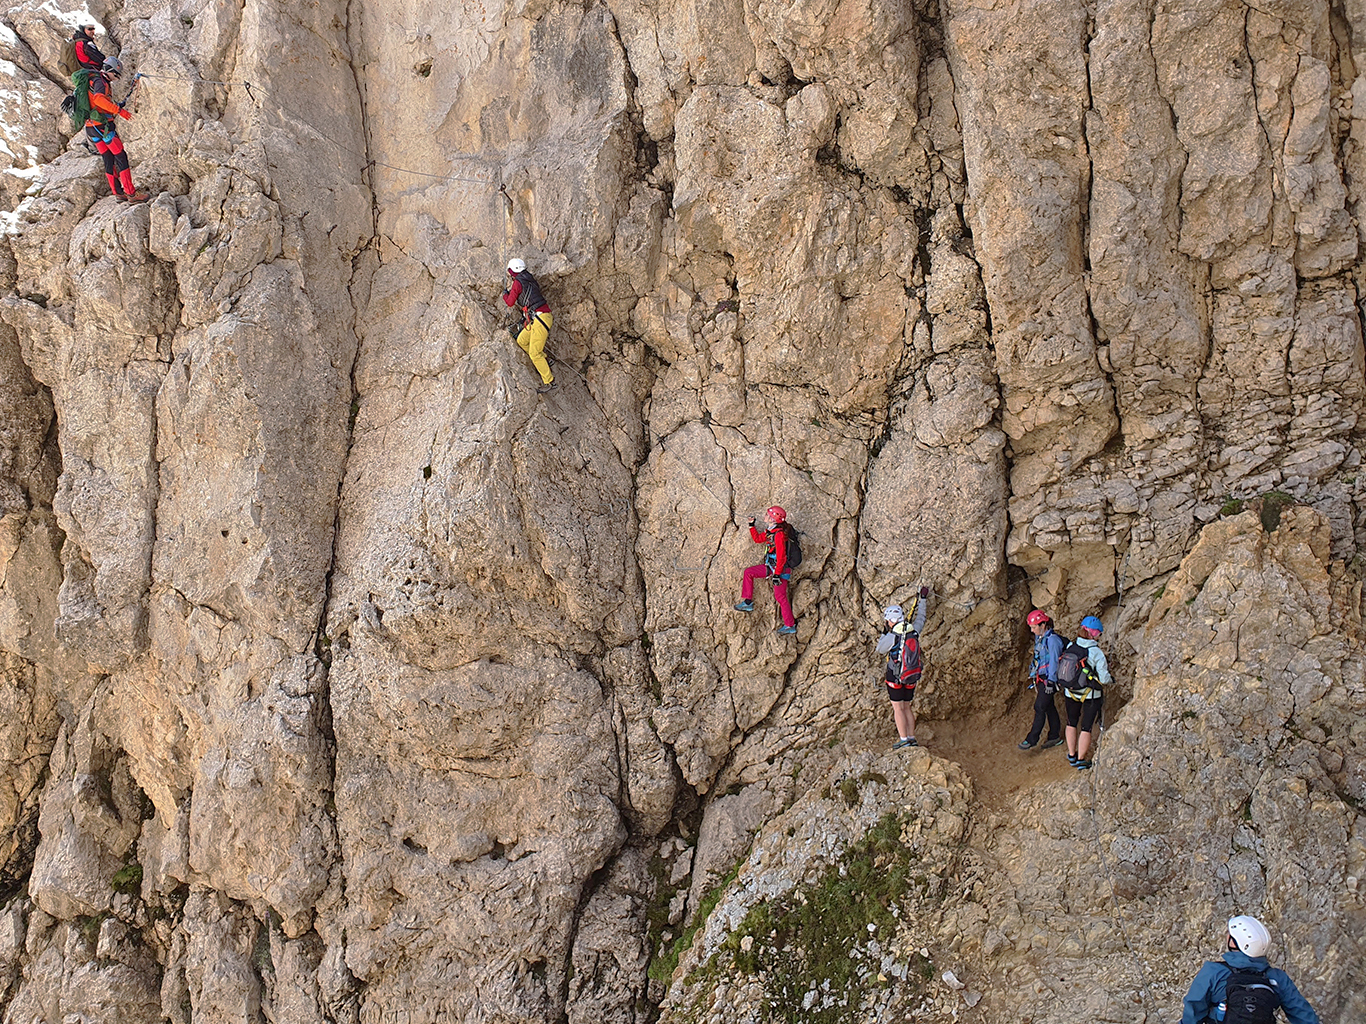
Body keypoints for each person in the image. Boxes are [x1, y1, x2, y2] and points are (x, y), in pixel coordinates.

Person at [1181, 915, 1319, 1024]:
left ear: (1234, 943)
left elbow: (1193, 1012)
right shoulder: (1277, 978)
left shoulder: (1213, 971)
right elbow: (1304, 1016)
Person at [79, 57, 148, 203]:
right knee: (120, 156)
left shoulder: (93, 79)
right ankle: (131, 194)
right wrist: (119, 111)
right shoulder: (100, 82)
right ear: (110, 70)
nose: (115, 78)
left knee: (108, 158)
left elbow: (98, 102)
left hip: (92, 127)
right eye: (116, 75)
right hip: (103, 127)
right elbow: (98, 100)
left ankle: (118, 193)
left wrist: (119, 105)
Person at [876, 589, 931, 749]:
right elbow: (922, 618)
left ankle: (903, 739)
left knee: (898, 708)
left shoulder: (892, 636)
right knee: (907, 706)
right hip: (912, 675)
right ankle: (912, 737)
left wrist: (884, 633)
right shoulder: (914, 630)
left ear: (891, 621)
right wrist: (923, 599)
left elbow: (880, 649)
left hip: (895, 677)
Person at [733, 506, 797, 635]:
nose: (765, 516)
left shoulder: (778, 535)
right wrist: (752, 526)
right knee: (749, 572)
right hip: (771, 567)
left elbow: (782, 557)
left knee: (781, 597)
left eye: (768, 515)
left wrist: (777, 575)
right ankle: (747, 602)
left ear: (773, 519)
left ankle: (790, 625)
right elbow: (758, 539)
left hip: (780, 570)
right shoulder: (771, 532)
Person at [502, 258, 555, 394]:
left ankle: (549, 381)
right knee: (522, 340)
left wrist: (505, 294)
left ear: (512, 271)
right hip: (540, 317)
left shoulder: (518, 283)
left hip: (540, 317)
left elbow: (509, 302)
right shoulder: (529, 278)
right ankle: (545, 361)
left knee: (534, 353)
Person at [1063, 615, 1109, 770]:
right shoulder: (1096, 653)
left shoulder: (1071, 647)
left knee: (1071, 722)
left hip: (1070, 691)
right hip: (1090, 694)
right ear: (1094, 634)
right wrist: (1110, 679)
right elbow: (1103, 678)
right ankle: (1081, 759)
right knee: (1086, 727)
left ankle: (1071, 755)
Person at [1019, 609, 1064, 750]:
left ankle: (1032, 739)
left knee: (1039, 706)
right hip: (1041, 678)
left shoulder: (1053, 640)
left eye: (1034, 627)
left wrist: (1051, 680)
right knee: (1049, 706)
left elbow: (1054, 662)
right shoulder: (1040, 638)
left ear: (1043, 625)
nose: (1032, 631)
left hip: (1048, 680)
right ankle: (1054, 736)